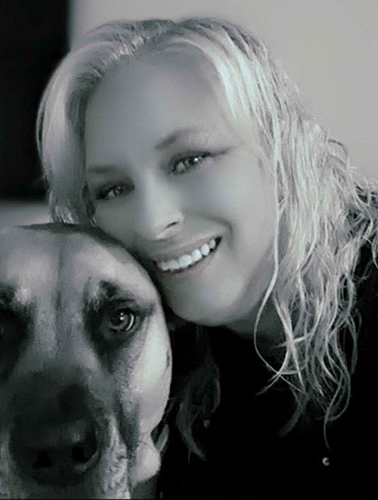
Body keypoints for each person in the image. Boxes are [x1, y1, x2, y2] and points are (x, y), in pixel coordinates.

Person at [36, 17, 378, 498]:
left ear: (280, 147)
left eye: (189, 160)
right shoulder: (144, 351)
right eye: (114, 189)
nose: (153, 222)